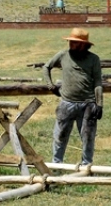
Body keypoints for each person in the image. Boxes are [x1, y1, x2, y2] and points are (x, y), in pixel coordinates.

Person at [44, 28, 102, 166]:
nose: (71, 44)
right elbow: (46, 67)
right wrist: (50, 86)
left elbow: (98, 82)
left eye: (75, 43)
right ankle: (57, 166)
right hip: (66, 103)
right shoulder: (63, 55)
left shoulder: (94, 59)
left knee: (88, 137)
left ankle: (86, 166)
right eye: (71, 41)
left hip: (88, 104)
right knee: (60, 136)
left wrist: (99, 104)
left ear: (84, 44)